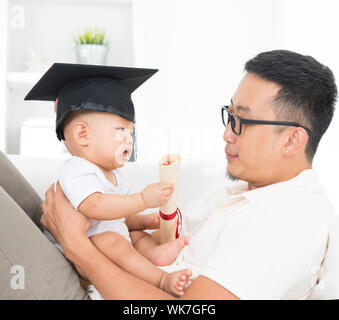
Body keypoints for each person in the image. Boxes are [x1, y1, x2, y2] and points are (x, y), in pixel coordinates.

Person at [41, 50, 339, 300]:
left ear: (291, 140)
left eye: (241, 121)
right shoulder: (245, 192)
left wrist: (76, 245)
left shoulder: (285, 219)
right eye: (229, 115)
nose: (226, 134)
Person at [25, 63, 191, 298]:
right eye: (121, 130)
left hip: (108, 236)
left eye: (131, 133)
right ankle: (161, 279)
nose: (129, 140)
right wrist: (142, 199)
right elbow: (96, 206)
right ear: (82, 135)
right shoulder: (78, 169)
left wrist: (142, 221)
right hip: (90, 245)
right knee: (116, 243)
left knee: (134, 236)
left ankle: (154, 255)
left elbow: (121, 215)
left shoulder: (113, 175)